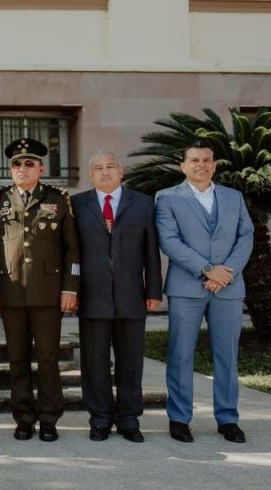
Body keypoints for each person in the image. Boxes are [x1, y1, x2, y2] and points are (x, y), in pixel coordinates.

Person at [0, 138, 80, 443]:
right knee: (17, 358)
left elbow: (72, 252)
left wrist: (70, 289)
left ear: (40, 168)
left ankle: (49, 418)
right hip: (11, 294)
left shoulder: (59, 199)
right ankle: (24, 417)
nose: (21, 169)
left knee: (48, 358)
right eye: (15, 164)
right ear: (9, 170)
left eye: (28, 164)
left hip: (48, 295)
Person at [156, 139, 253, 444]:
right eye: (195, 160)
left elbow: (246, 236)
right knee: (181, 354)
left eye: (207, 160)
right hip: (187, 287)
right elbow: (169, 241)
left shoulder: (233, 197)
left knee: (227, 356)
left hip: (229, 286)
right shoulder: (167, 198)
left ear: (214, 164)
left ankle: (227, 419)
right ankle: (180, 419)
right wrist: (207, 269)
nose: (201, 165)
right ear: (183, 165)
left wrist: (226, 273)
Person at [71, 151, 162, 443]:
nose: (105, 172)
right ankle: (99, 418)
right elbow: (71, 253)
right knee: (94, 362)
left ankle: (128, 419)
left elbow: (151, 252)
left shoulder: (143, 203)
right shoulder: (76, 204)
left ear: (122, 172)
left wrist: (153, 291)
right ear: (90, 175)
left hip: (132, 296)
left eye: (111, 167)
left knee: (130, 361)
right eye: (98, 168)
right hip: (92, 297)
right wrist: (71, 291)